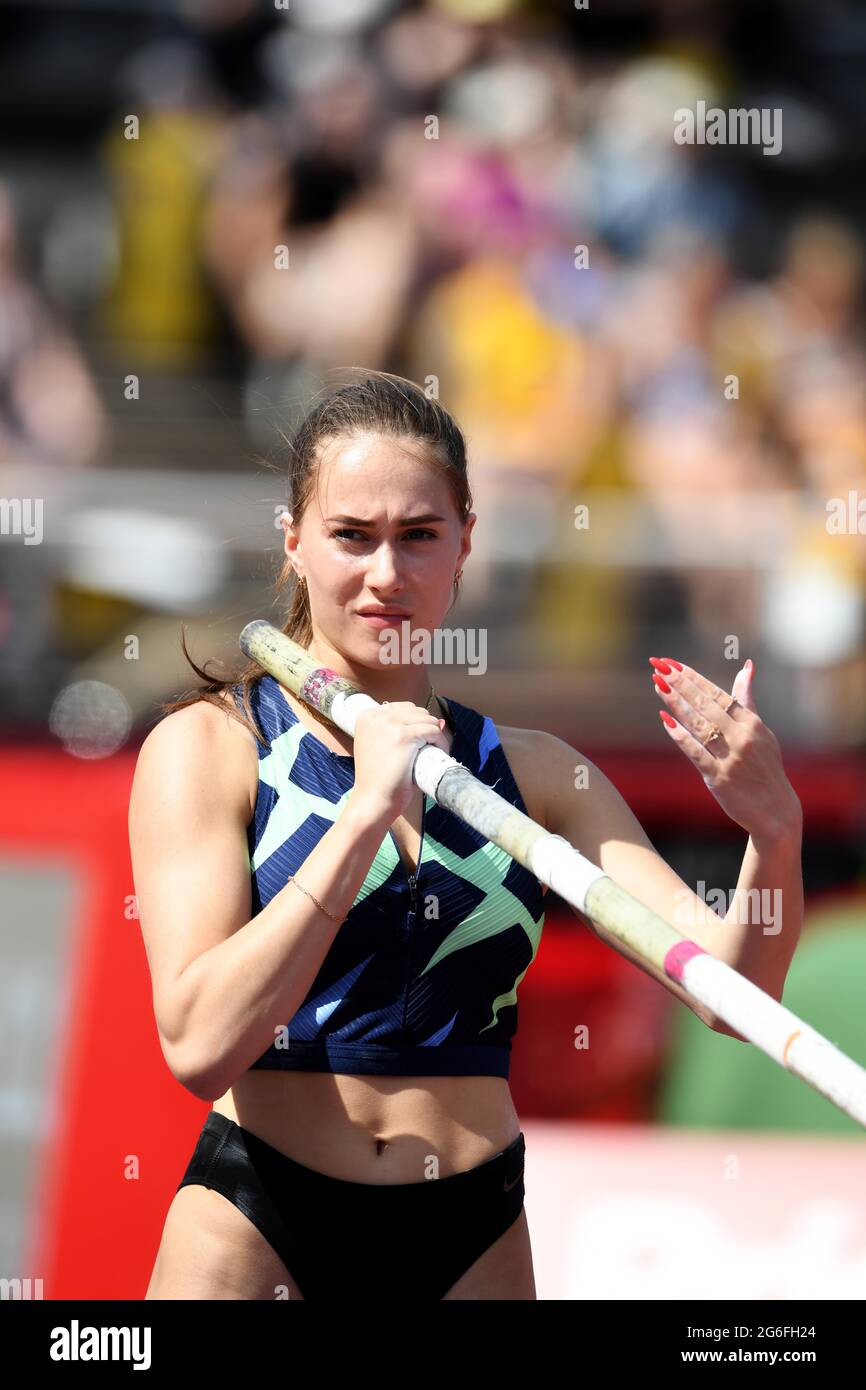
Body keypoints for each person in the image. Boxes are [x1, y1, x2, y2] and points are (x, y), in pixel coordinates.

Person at [129, 370, 804, 1300]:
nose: (385, 575)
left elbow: (734, 996)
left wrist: (773, 830)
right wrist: (363, 814)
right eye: (351, 537)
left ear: (466, 547)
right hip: (261, 1227)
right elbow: (197, 1046)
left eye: (419, 537)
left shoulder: (535, 774)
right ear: (292, 543)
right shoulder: (212, 747)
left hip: (470, 1233)